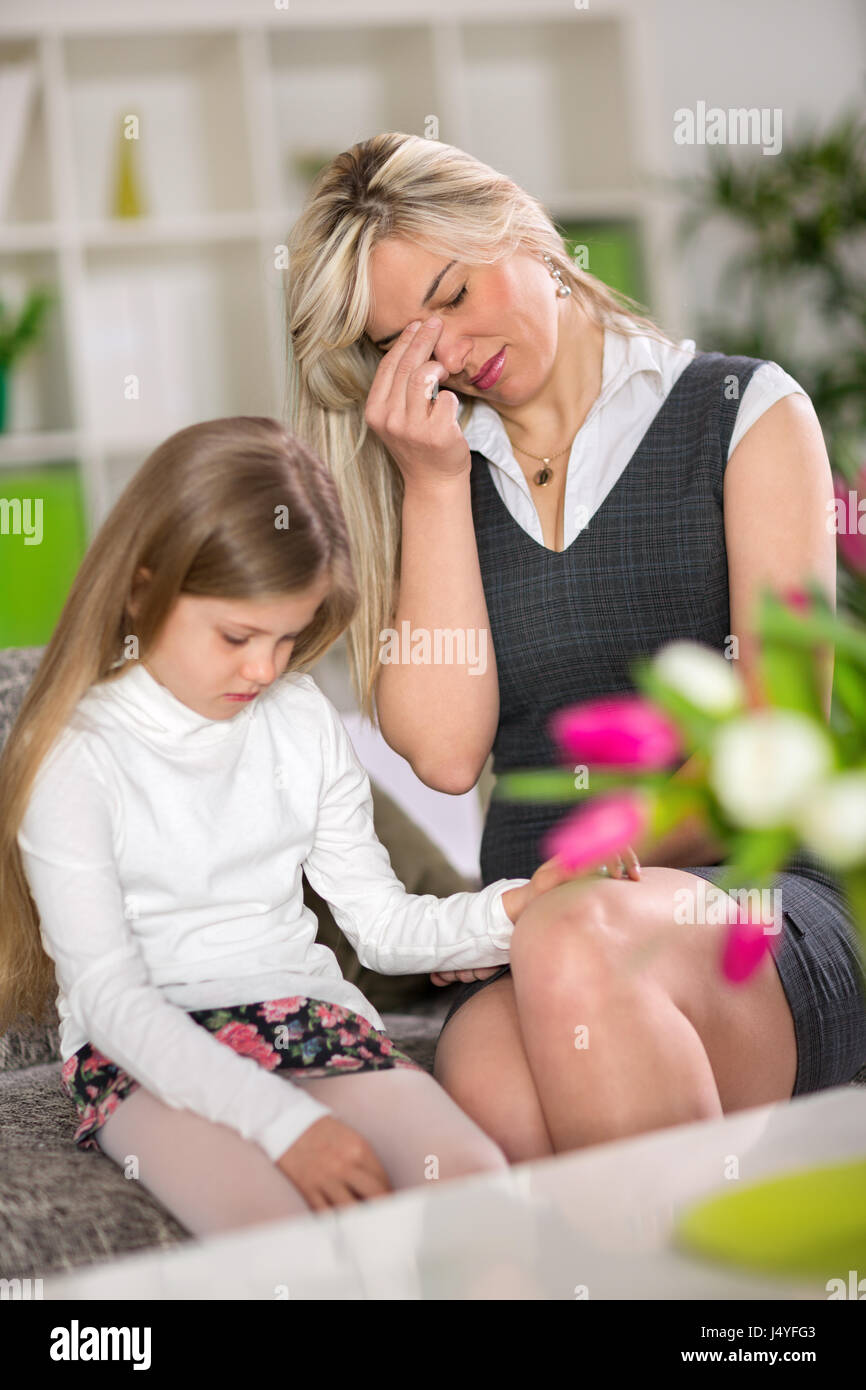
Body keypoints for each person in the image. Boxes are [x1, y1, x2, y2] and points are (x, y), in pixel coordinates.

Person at [282, 131, 866, 1163]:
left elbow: (772, 745)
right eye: (407, 341)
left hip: (748, 912)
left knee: (573, 947)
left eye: (455, 296)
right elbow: (447, 753)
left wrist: (576, 880)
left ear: (517, 224)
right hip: (538, 940)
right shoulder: (436, 476)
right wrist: (429, 485)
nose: (451, 354)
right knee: (491, 1092)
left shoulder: (740, 414)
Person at [0, 415, 580, 1238]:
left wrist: (513, 911)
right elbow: (112, 997)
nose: (265, 670)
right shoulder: (74, 757)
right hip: (143, 1047)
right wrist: (286, 1127)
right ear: (142, 586)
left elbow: (379, 924)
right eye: (238, 636)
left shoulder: (298, 716)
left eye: (288, 637)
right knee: (279, 1242)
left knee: (477, 1188)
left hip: (306, 1013)